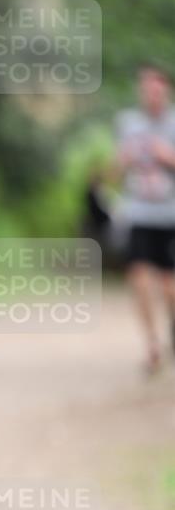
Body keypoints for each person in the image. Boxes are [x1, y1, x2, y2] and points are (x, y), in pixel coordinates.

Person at [114, 64, 175, 373]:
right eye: (146, 88)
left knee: (169, 286)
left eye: (157, 88)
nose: (151, 93)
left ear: (166, 90)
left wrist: (167, 157)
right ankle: (152, 344)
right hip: (138, 212)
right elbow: (116, 168)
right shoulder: (128, 123)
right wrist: (123, 160)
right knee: (138, 277)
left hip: (170, 215)